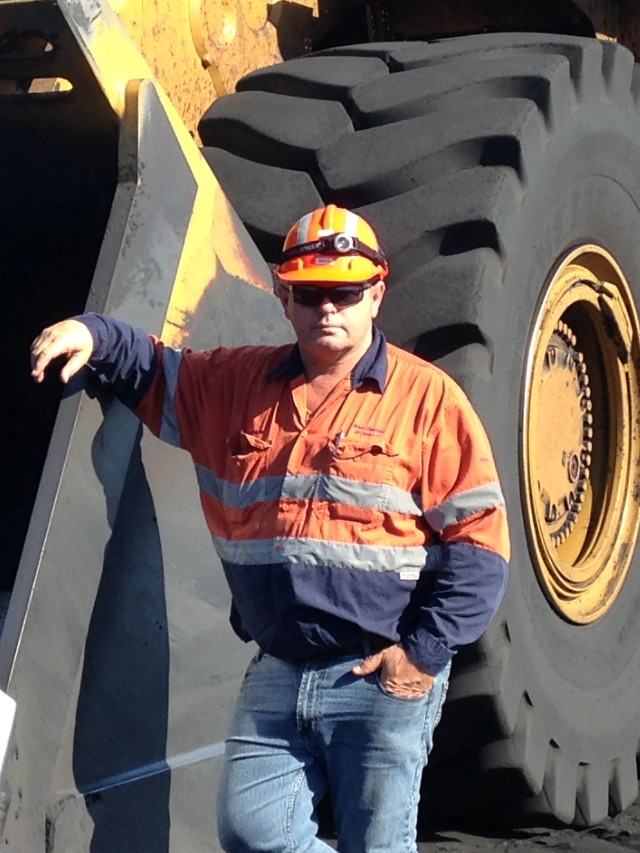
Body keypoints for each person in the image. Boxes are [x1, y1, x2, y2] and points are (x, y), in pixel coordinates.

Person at [31, 204, 510, 853]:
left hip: (380, 671)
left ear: (376, 290)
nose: (327, 308)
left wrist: (422, 653)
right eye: (310, 293)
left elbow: (481, 547)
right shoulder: (235, 383)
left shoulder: (428, 400)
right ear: (284, 295)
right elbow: (154, 370)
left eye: (344, 291)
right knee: (252, 832)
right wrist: (92, 334)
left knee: (378, 842)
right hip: (278, 667)